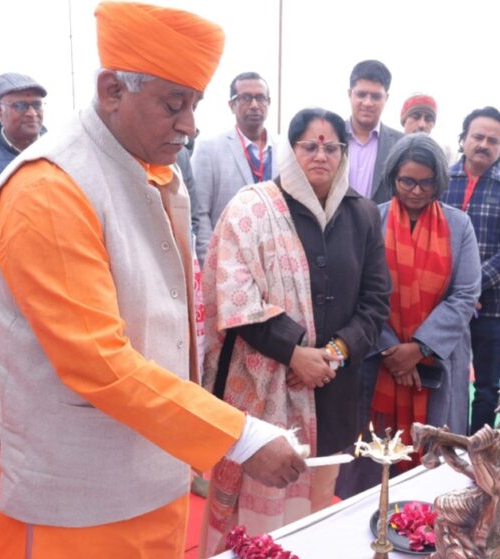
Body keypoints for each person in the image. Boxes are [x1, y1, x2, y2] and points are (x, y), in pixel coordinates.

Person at [0, 3, 307, 557]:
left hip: (153, 471)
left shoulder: (150, 168)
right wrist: (241, 435)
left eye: (195, 105)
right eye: (173, 105)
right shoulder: (49, 191)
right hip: (73, 499)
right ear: (111, 90)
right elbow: (98, 362)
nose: (190, 125)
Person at [200, 107, 390, 553]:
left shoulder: (362, 214)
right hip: (264, 385)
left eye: (331, 147)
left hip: (333, 388)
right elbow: (236, 296)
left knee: (317, 506)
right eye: (309, 146)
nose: (321, 155)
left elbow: (376, 300)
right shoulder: (254, 208)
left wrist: (334, 354)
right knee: (254, 516)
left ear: (344, 154)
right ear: (291, 150)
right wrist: (294, 353)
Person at [337, 133, 481, 497]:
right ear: (393, 178)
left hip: (438, 359)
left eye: (426, 182)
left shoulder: (459, 225)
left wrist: (418, 348)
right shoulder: (371, 218)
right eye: (407, 181)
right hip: (378, 357)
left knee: (435, 461)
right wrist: (393, 352)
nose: (416, 191)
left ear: (439, 181)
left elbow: (465, 294)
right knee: (372, 461)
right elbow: (358, 291)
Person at [442, 107, 500, 435]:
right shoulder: (441, 180)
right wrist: (456, 291)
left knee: (487, 385)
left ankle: (476, 450)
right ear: (463, 138)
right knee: (445, 378)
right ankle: (443, 444)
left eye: (494, 140)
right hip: (443, 301)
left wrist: (470, 288)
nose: (484, 145)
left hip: (493, 305)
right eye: (477, 136)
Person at [192, 71, 278, 264]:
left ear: (268, 103)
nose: (254, 105)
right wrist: (211, 263)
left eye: (260, 98)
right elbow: (200, 213)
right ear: (231, 105)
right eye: (246, 98)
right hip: (229, 262)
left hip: (275, 261)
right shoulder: (209, 148)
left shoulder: (285, 149)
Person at [0, 72, 47, 255]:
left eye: (37, 105)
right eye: (20, 106)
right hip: (0, 269)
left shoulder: (62, 152)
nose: (32, 113)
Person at [346, 59, 403, 203]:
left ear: (386, 98)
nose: (368, 103)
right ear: (350, 94)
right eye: (361, 94)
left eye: (376, 96)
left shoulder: (401, 145)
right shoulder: (332, 138)